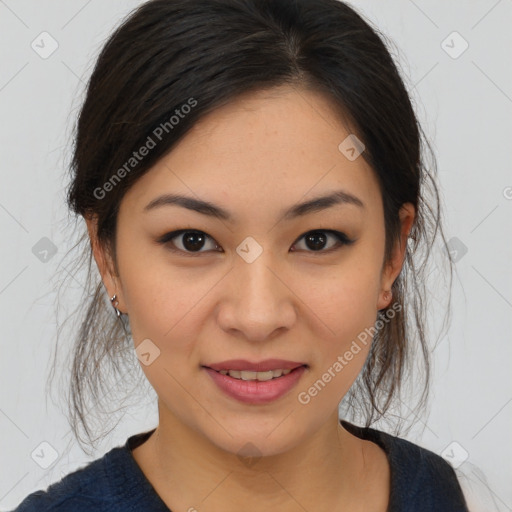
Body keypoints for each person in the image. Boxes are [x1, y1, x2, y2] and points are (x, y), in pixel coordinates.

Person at [11, 0, 470, 510]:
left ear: (392, 254)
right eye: (193, 240)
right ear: (108, 258)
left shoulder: (451, 495)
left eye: (317, 239)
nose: (257, 317)